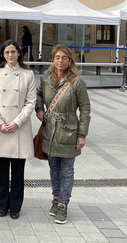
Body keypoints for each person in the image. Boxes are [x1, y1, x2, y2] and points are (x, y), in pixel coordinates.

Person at [35, 45, 91, 224]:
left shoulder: (77, 82)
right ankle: (56, 198)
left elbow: (85, 108)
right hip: (50, 130)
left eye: (64, 57)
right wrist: (39, 109)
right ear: (53, 59)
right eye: (57, 57)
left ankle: (63, 205)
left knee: (67, 170)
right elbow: (38, 95)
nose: (60, 60)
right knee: (54, 168)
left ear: (70, 60)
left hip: (69, 131)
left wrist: (82, 135)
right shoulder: (46, 79)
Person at [0, 40, 36, 219]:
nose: (10, 55)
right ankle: (2, 204)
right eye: (7, 52)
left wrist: (17, 122)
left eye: (13, 52)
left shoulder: (28, 74)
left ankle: (15, 207)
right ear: (2, 54)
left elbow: (31, 102)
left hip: (19, 129)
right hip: (0, 128)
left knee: (18, 174)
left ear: (19, 53)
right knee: (1, 173)